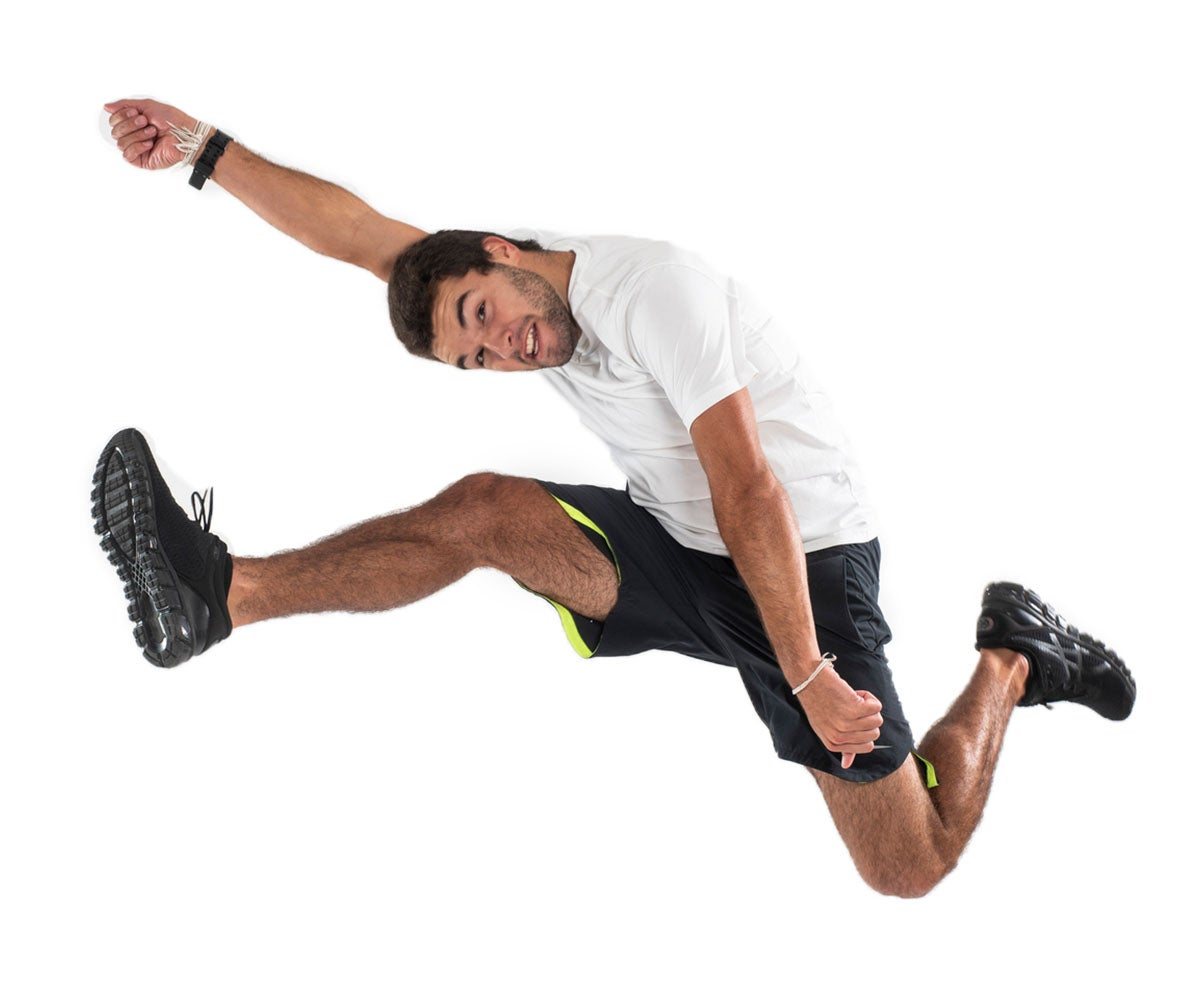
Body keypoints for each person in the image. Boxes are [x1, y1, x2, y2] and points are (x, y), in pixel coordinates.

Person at [94, 97, 1136, 898]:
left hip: (801, 560)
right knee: (486, 509)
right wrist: (202, 151)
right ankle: (218, 597)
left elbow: (750, 485)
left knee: (907, 863)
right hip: (687, 544)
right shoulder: (506, 292)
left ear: (500, 251)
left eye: (480, 316)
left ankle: (1012, 653)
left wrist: (809, 668)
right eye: (473, 360)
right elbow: (356, 232)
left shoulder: (653, 292)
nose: (501, 349)